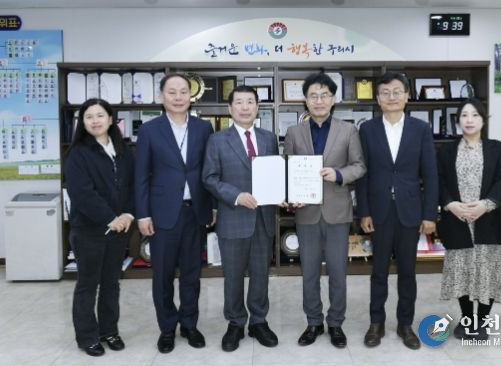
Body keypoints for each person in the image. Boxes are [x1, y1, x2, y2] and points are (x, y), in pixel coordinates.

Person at [283, 72, 366, 348]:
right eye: (313, 96)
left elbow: (359, 166)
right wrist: (290, 195)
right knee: (309, 272)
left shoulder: (348, 130)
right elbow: (288, 169)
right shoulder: (294, 132)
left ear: (333, 99)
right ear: (305, 100)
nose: (319, 101)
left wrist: (339, 174)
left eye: (324, 95)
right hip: (306, 211)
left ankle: (336, 323)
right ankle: (313, 322)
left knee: (338, 271)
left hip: (337, 211)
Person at [356, 71, 438, 350]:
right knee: (378, 271)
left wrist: (429, 215)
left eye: (396, 91)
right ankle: (376, 323)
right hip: (379, 211)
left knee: (407, 272)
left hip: (410, 210)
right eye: (385, 93)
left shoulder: (420, 129)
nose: (391, 97)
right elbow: (363, 174)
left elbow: (431, 174)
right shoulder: (367, 129)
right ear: (378, 99)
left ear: (406, 96)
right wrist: (364, 211)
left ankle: (405, 324)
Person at [134, 73, 214, 354]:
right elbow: (141, 176)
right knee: (163, 275)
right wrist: (142, 214)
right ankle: (167, 327)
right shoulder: (149, 130)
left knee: (192, 274)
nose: (178, 97)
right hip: (162, 214)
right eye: (172, 92)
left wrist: (213, 206)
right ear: (162, 96)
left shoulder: (204, 127)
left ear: (191, 96)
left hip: (195, 212)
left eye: (183, 92)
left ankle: (189, 325)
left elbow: (210, 170)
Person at [202, 85, 279, 352]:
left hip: (263, 219)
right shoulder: (217, 140)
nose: (245, 107)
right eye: (239, 102)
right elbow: (209, 178)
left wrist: (282, 193)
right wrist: (236, 196)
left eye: (250, 102)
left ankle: (259, 321)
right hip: (233, 216)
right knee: (233, 275)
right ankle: (235, 322)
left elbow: (275, 174)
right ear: (230, 108)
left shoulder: (269, 138)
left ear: (258, 107)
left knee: (261, 274)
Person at [64, 98, 134, 357]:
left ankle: (109, 331)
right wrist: (110, 218)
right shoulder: (77, 153)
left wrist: (128, 214)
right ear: (82, 123)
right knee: (88, 285)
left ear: (111, 119)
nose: (95, 121)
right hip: (88, 230)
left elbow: (132, 186)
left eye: (100, 115)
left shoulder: (123, 150)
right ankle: (87, 337)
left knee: (111, 284)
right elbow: (82, 193)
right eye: (89, 117)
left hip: (119, 229)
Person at [436, 98, 501, 340]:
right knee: (462, 272)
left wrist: (485, 205)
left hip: (487, 220)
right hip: (457, 219)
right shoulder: (447, 150)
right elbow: (439, 181)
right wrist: (450, 205)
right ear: (458, 120)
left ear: (483, 119)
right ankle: (467, 320)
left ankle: (483, 322)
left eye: (475, 115)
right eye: (464, 115)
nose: (469, 120)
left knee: (487, 273)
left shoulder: (497, 148)